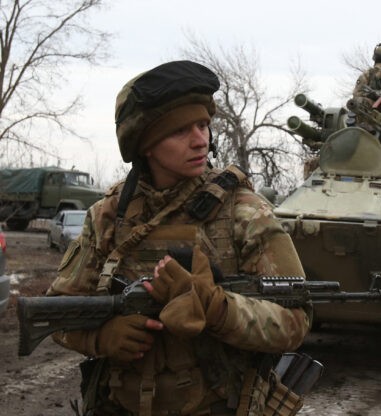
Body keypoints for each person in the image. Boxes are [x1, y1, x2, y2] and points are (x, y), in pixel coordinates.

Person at [46, 60, 311, 416]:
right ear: (146, 145)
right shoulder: (108, 216)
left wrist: (217, 308)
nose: (201, 139)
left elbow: (294, 322)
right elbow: (55, 314)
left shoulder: (245, 211)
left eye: (203, 125)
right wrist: (102, 337)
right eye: (180, 131)